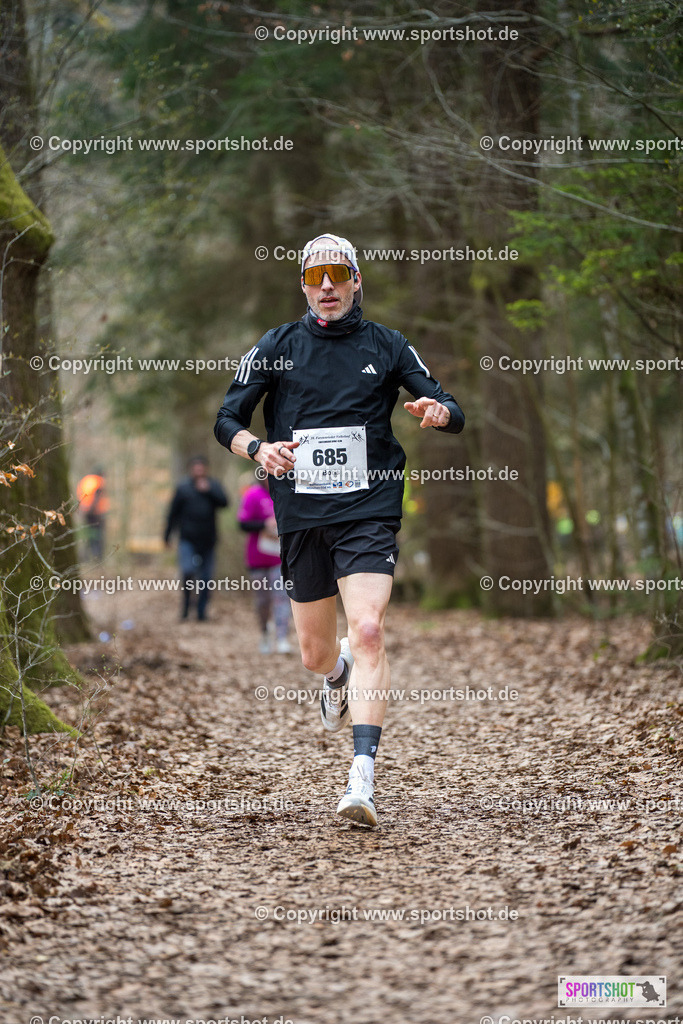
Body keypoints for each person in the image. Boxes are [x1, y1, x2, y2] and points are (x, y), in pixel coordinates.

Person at [214, 232, 464, 826]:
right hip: (302, 513)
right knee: (314, 653)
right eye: (313, 276)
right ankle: (336, 676)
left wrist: (438, 412)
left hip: (369, 507)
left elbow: (449, 407)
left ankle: (362, 780)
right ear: (303, 284)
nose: (325, 285)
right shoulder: (276, 345)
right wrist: (257, 448)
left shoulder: (388, 344)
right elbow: (227, 418)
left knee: (371, 628)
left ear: (356, 280)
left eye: (336, 274)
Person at [164, 456, 229, 621]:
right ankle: (185, 607)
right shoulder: (183, 488)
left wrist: (209, 491)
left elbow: (225, 503)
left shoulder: (213, 485)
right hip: (187, 539)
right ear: (191, 469)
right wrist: (167, 535)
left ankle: (201, 612)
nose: (199, 471)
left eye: (202, 468)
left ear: (206, 469)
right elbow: (173, 513)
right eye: (196, 468)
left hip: (209, 540)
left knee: (206, 578)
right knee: (187, 571)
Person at [237, 471, 293, 654]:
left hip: (279, 557)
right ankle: (264, 632)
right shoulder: (252, 495)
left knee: (282, 597)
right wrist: (264, 525)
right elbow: (243, 524)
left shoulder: (285, 492)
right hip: (257, 557)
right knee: (263, 600)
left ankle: (282, 637)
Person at [77, 467, 109, 560]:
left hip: (86, 511)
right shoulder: (99, 481)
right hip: (96, 512)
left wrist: (84, 511)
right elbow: (96, 496)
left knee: (88, 534)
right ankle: (97, 557)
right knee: (98, 534)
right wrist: (93, 509)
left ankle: (86, 557)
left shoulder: (86, 480)